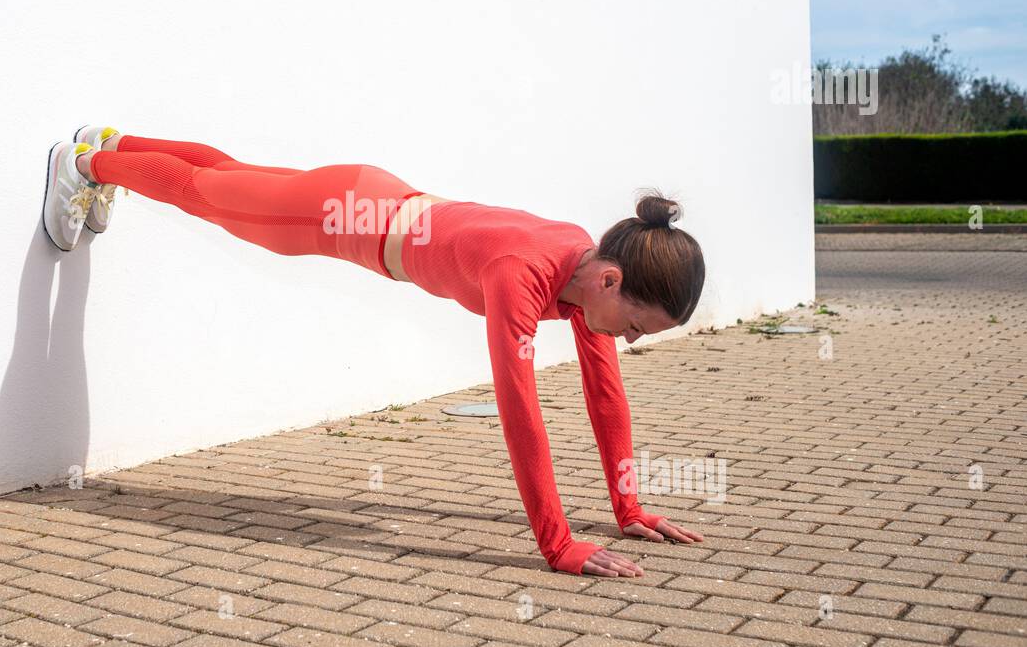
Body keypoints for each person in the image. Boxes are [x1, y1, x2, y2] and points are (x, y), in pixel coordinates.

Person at [42, 126, 707, 576]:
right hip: (338, 217)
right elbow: (521, 411)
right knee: (206, 194)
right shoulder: (521, 273)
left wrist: (628, 507)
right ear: (612, 280)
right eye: (635, 327)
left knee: (229, 177)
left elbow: (605, 394)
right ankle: (83, 163)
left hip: (371, 195)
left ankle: (113, 142)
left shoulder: (586, 260)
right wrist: (558, 544)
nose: (626, 340)